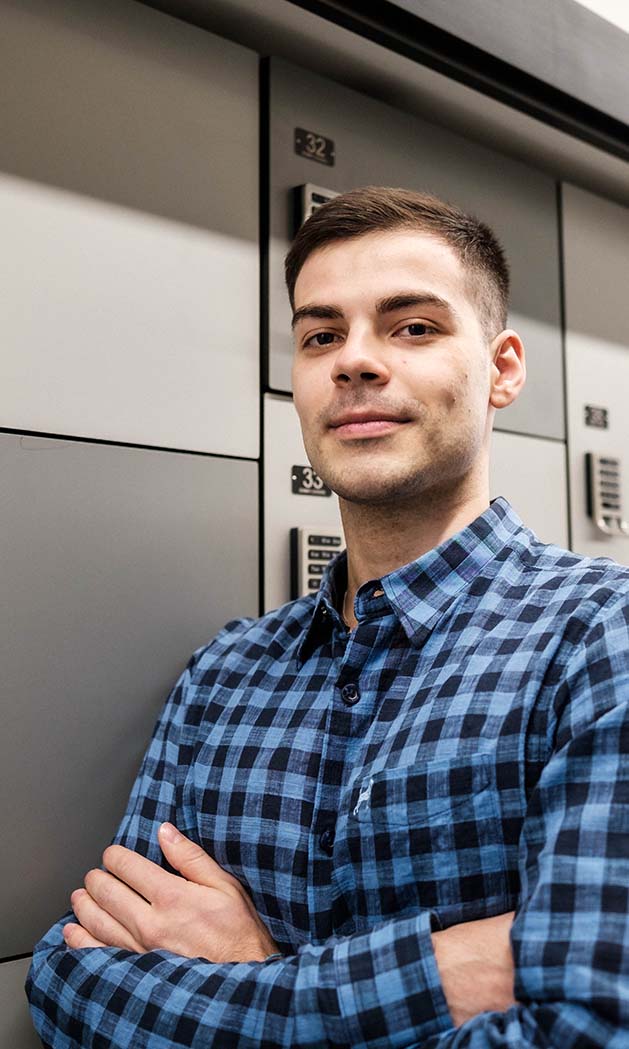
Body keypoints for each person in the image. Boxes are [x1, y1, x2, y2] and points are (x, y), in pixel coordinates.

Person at [27, 186, 629, 1048]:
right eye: (320, 336)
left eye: (411, 327)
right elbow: (69, 981)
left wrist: (248, 975)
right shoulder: (224, 674)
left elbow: (586, 1025)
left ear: (500, 369)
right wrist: (436, 976)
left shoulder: (599, 637)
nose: (354, 361)